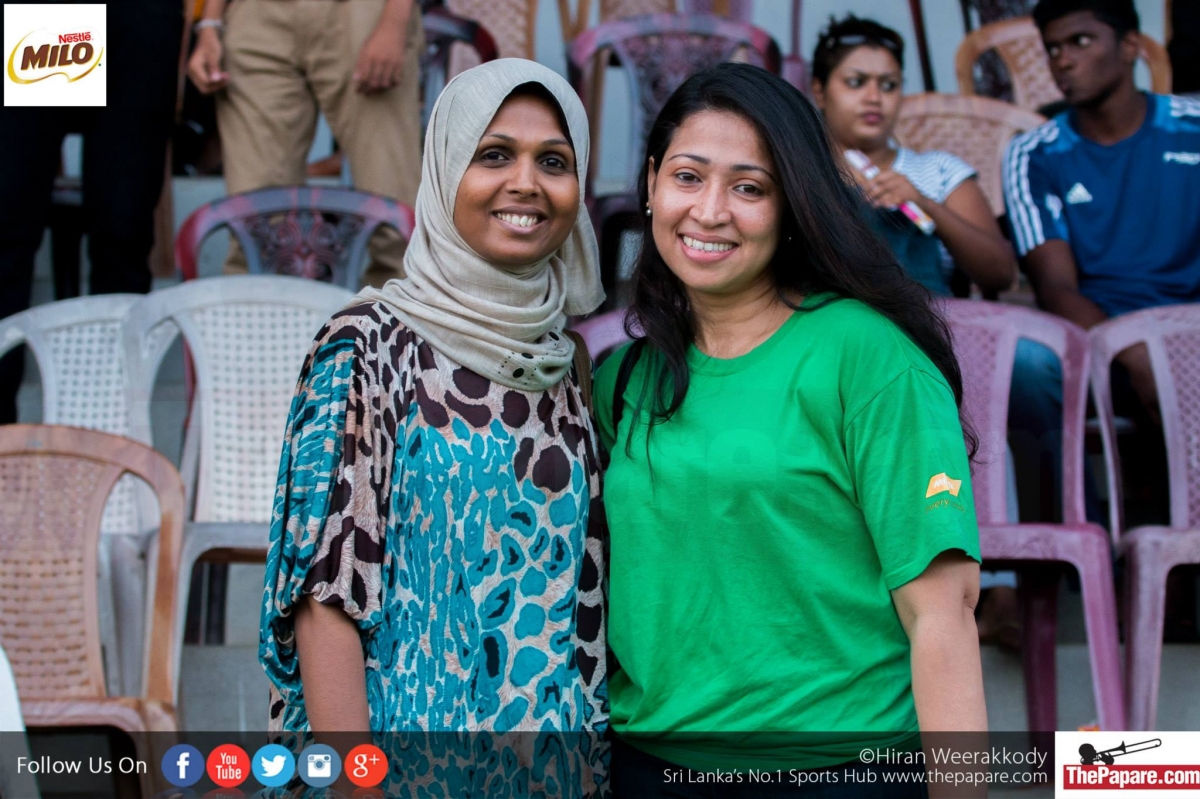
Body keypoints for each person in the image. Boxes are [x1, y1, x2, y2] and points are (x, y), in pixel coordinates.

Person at [595, 63, 986, 797]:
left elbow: (943, 616)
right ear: (650, 184)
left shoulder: (867, 357)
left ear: (793, 204)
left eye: (749, 188)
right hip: (647, 768)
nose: (710, 211)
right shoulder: (622, 380)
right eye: (687, 177)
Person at [259, 60, 608, 795]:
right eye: (493, 155)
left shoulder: (563, 360)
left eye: (554, 161)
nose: (526, 183)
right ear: (446, 170)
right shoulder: (366, 345)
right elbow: (325, 602)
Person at [1005, 0, 1200, 638]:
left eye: (1081, 41)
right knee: (1026, 369)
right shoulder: (1035, 152)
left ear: (1131, 47)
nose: (1063, 60)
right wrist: (1133, 348)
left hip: (1191, 333)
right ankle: (1088, 566)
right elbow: (1055, 287)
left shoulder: (1194, 128)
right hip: (1094, 340)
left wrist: (1173, 347)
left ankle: (1177, 573)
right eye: (1053, 48)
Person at [0, 0, 183, 424]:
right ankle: (3, 437)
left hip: (135, 15)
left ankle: (111, 425)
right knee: (8, 231)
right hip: (51, 18)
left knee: (124, 229)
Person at [187, 0, 422, 286]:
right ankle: (257, 313)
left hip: (362, 12)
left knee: (395, 225)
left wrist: (394, 21)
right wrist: (210, 23)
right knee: (252, 226)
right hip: (257, 16)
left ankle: (400, 313)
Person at [811, 15, 1016, 298]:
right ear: (819, 91)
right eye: (856, 82)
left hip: (925, 322)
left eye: (889, 85)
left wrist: (924, 203)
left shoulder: (939, 171)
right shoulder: (800, 171)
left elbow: (1001, 276)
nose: (874, 97)